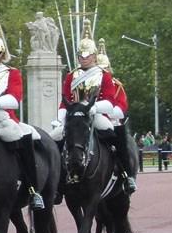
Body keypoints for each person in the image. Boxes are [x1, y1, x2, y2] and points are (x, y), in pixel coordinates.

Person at [52, 29, 136, 194]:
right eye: (81, 56)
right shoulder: (71, 76)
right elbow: (65, 100)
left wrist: (94, 108)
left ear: (93, 56)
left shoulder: (103, 76)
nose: (83, 59)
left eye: (87, 55)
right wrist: (61, 118)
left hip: (95, 114)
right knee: (55, 138)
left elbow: (111, 102)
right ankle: (57, 181)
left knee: (115, 134)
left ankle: (126, 174)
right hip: (75, 116)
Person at [0, 14, 45, 209]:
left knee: (21, 137)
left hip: (2, 116)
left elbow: (15, 99)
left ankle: (32, 188)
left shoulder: (11, 73)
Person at [96, 39, 140, 184]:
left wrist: (107, 112)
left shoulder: (117, 86)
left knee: (121, 143)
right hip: (91, 120)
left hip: (111, 121)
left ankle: (127, 174)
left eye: (104, 69)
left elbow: (121, 108)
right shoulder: (89, 83)